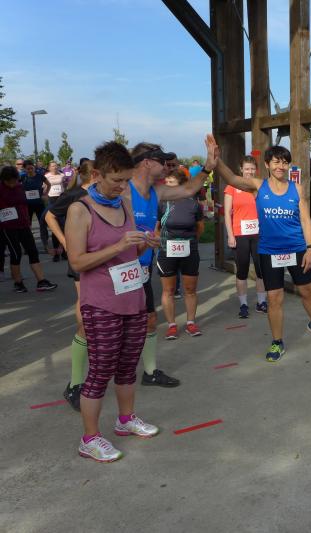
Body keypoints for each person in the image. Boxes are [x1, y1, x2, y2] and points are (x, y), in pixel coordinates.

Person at [65, 141, 162, 462]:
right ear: (96, 174)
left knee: (127, 365)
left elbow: (130, 252)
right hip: (101, 302)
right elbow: (77, 261)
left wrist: (146, 243)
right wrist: (119, 244)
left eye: (126, 180)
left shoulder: (125, 204)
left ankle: (126, 419)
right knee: (101, 370)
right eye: (117, 180)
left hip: (133, 297)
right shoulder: (80, 210)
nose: (123, 187)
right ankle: (90, 438)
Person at [210, 140, 311, 361]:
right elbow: (232, 179)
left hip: (297, 248)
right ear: (267, 164)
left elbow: (306, 221)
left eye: (284, 162)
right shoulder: (258, 186)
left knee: (308, 291)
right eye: (276, 162)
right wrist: (216, 159)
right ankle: (277, 342)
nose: (281, 166)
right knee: (274, 298)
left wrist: (309, 248)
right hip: (269, 251)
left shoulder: (296, 188)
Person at [126, 141, 214, 387]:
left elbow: (189, 190)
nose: (167, 166)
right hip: (116, 270)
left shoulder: (156, 191)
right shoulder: (122, 191)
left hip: (141, 268)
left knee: (149, 321)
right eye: (161, 161)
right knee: (108, 329)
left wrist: (208, 166)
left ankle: (150, 372)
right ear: (146, 163)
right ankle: (79, 382)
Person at [46, 159, 96, 410]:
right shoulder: (74, 195)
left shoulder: (103, 196)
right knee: (84, 306)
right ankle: (76, 382)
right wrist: (65, 241)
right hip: (80, 256)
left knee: (91, 306)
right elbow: (49, 216)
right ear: (94, 175)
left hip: (99, 256)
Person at [156, 168, 205, 339]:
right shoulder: (162, 202)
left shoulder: (193, 203)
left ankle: (191, 323)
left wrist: (190, 241)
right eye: (166, 182)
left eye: (171, 182)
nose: (167, 185)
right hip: (166, 250)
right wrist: (162, 243)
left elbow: (200, 227)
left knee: (190, 289)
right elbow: (157, 228)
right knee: (168, 290)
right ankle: (171, 325)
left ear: (181, 184)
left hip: (189, 249)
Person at [0, 165, 58, 293]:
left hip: (23, 224)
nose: (13, 184)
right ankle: (18, 283)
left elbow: (26, 201)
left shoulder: (20, 186)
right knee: (16, 254)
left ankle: (41, 281)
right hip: (8, 227)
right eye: (10, 182)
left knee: (33, 251)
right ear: (4, 180)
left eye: (15, 181)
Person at [224, 155, 267, 318]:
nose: (249, 172)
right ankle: (243, 305)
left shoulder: (260, 186)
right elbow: (227, 213)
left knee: (261, 270)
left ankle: (261, 302)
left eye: (252, 169)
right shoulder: (232, 187)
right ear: (241, 169)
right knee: (242, 270)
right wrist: (230, 235)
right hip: (240, 234)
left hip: (259, 234)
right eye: (247, 169)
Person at [21, 160, 49, 252]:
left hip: (39, 204)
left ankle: (46, 245)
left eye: (31, 168)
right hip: (27, 205)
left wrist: (45, 194)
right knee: (27, 225)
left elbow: (49, 184)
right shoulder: (23, 177)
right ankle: (28, 247)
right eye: (28, 169)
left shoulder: (40, 176)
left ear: (34, 167)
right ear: (24, 169)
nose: (30, 170)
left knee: (42, 224)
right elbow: (16, 186)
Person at [44, 160, 67, 261]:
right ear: (49, 168)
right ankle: (56, 253)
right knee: (55, 226)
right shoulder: (46, 176)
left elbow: (65, 186)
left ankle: (64, 252)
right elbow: (44, 187)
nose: (55, 167)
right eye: (53, 166)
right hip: (52, 200)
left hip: (61, 199)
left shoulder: (62, 175)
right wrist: (45, 196)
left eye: (56, 165)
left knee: (64, 226)